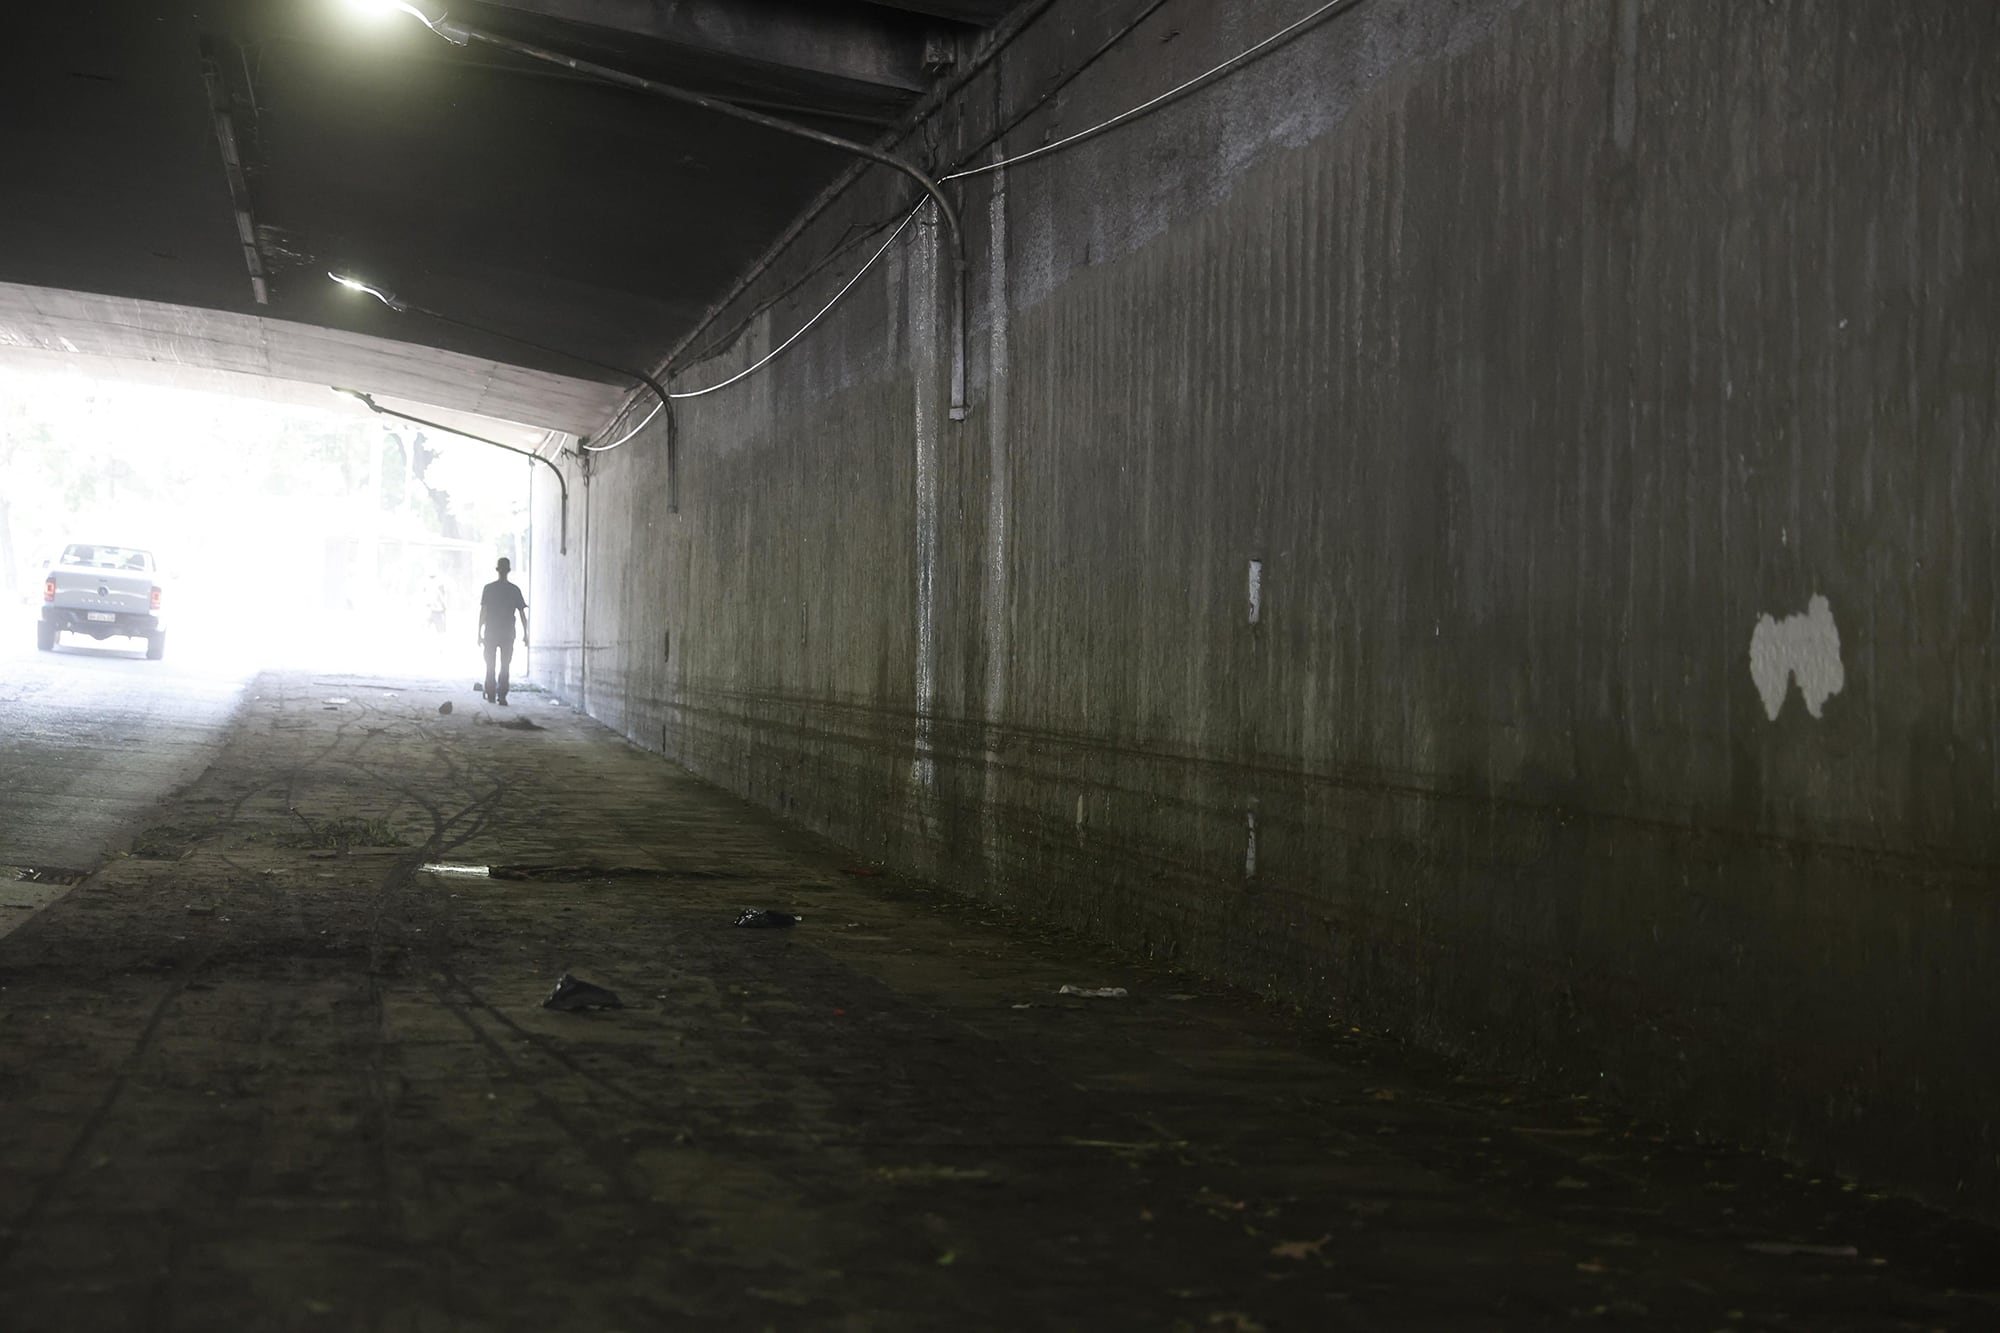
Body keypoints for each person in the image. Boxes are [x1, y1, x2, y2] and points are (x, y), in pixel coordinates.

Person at [476, 557, 529, 705]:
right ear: (509, 570)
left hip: (491, 632)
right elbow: (522, 614)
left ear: (497, 570)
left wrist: (478, 633)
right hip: (507, 633)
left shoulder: (489, 589)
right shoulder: (514, 590)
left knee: (490, 665)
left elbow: (483, 612)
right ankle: (502, 696)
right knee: (505, 665)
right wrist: (526, 634)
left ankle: (491, 694)